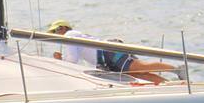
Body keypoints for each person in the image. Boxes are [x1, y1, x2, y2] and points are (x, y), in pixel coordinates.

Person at [47, 20, 179, 84]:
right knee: (139, 74)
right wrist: (62, 59)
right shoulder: (73, 37)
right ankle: (170, 84)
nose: (54, 35)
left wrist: (60, 60)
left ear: (63, 28)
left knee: (140, 67)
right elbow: (75, 59)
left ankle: (177, 70)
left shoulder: (70, 35)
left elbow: (72, 60)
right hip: (106, 59)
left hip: (108, 53)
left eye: (54, 31)